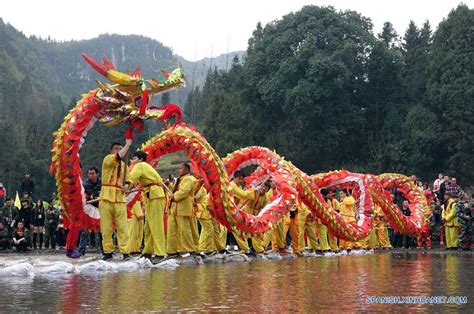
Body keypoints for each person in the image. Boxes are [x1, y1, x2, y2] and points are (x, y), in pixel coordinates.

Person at [128, 150, 166, 261]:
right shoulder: (145, 167)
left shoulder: (140, 165)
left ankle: (160, 253)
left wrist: (126, 186)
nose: (132, 161)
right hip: (152, 195)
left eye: (134, 158)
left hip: (155, 195)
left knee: (156, 224)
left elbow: (131, 178)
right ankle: (148, 251)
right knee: (148, 225)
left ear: (140, 159)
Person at [99, 140, 133, 261]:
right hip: (106, 196)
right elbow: (118, 157)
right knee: (106, 227)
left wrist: (127, 187)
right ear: (112, 150)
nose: (119, 151)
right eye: (116, 149)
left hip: (119, 197)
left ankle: (125, 252)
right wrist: (127, 145)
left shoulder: (124, 166)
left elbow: (129, 181)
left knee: (123, 227)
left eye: (120, 148)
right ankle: (108, 252)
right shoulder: (108, 159)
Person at [167, 163, 197, 257]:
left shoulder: (189, 179)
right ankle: (172, 251)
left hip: (182, 208)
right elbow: (175, 190)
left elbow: (184, 192)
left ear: (187, 170)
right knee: (172, 230)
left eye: (180, 168)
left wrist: (174, 197)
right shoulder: (180, 179)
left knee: (185, 230)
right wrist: (169, 185)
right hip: (174, 208)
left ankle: (191, 249)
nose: (178, 170)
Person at [78, 166, 102, 256]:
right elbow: (82, 195)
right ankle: (81, 251)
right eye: (89, 174)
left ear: (97, 174)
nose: (90, 175)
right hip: (89, 210)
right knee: (85, 231)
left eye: (92, 173)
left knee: (101, 231)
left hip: (100, 209)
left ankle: (105, 251)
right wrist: (88, 197)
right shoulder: (85, 184)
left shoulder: (102, 183)